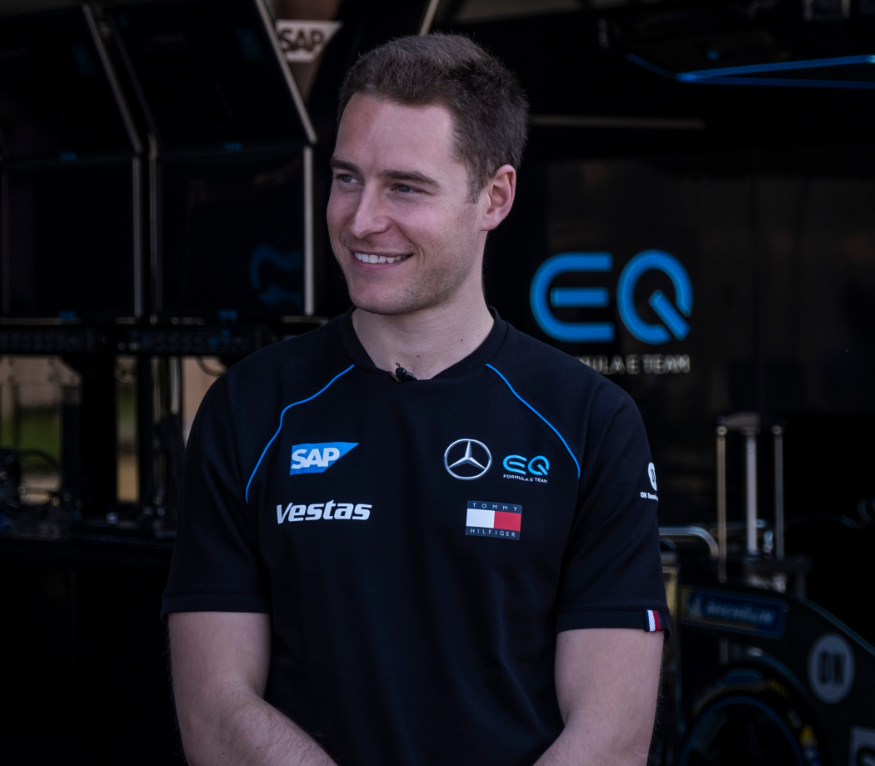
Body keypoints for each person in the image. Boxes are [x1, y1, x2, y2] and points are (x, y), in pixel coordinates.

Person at [163, 33, 668, 766]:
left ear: (494, 197)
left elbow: (611, 736)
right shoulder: (248, 407)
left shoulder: (589, 422)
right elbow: (215, 711)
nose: (361, 219)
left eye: (404, 186)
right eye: (347, 178)